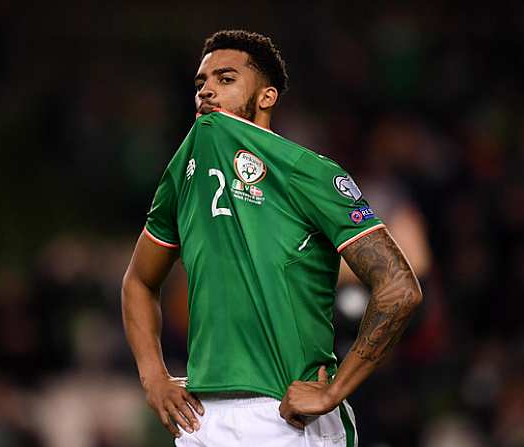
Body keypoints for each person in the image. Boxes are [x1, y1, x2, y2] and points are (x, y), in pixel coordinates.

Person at [121, 30, 423, 446]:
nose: (207, 91)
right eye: (200, 83)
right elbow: (138, 280)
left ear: (266, 97)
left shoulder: (308, 172)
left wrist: (335, 390)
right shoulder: (183, 173)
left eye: (225, 80)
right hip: (202, 419)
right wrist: (153, 375)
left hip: (287, 415)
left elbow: (399, 286)